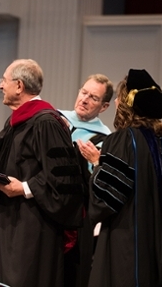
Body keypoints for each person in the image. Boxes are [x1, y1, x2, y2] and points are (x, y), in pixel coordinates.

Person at [0, 59, 84, 287]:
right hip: (10, 221)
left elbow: (62, 178)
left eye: (3, 80)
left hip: (34, 226)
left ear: (19, 86)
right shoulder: (18, 121)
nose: (0, 86)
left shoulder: (46, 122)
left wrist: (24, 188)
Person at [87, 69, 162, 286]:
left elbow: (105, 200)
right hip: (153, 240)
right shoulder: (160, 143)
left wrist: (97, 163)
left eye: (119, 97)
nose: (116, 101)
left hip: (125, 240)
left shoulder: (122, 140)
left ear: (127, 103)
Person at [58, 73, 113, 287]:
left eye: (94, 98)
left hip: (77, 217)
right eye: (84, 93)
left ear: (104, 106)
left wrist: (96, 162)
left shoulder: (105, 140)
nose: (85, 100)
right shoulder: (55, 119)